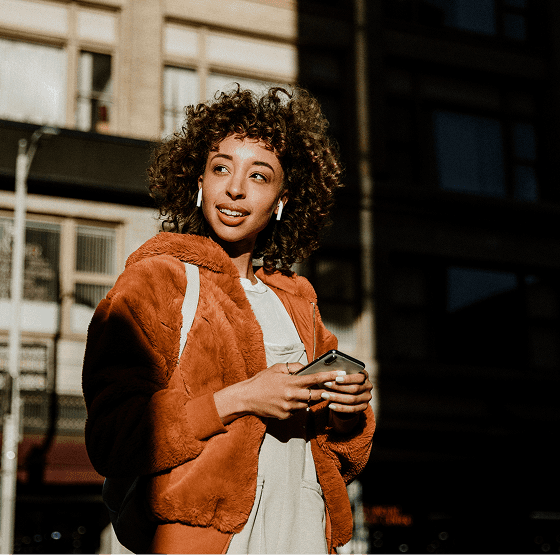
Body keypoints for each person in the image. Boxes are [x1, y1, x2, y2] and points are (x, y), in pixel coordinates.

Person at [82, 86, 375, 554]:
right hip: (204, 540)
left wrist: (347, 409)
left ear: (282, 199)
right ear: (198, 180)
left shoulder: (298, 300)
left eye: (259, 176)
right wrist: (241, 399)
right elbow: (111, 437)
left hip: (302, 531)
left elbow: (342, 453)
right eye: (221, 167)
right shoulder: (156, 281)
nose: (235, 188)